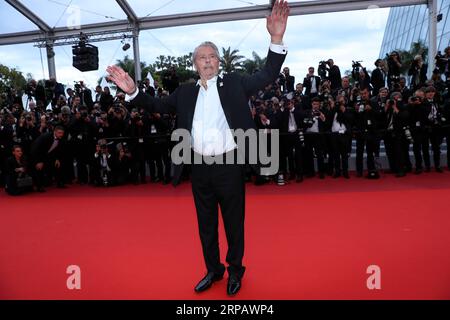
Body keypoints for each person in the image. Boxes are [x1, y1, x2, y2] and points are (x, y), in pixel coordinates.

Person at [106, 0, 290, 296]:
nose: (207, 61)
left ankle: (235, 271)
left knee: (233, 223)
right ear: (195, 64)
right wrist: (133, 91)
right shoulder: (185, 92)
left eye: (212, 56)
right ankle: (213, 270)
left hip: (230, 165)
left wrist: (276, 38)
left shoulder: (235, 84)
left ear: (220, 62)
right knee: (206, 225)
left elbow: (267, 74)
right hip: (200, 167)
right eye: (202, 57)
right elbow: (155, 105)